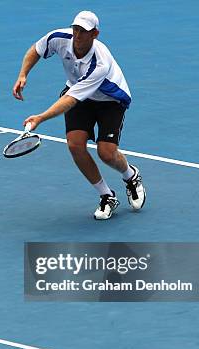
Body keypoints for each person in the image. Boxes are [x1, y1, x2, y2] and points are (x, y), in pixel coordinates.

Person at [12, 10, 146, 220]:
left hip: (110, 100)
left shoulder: (99, 63)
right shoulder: (59, 38)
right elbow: (36, 50)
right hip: (77, 91)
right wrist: (23, 74)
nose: (78, 35)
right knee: (75, 145)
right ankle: (106, 196)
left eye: (84, 31)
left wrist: (40, 118)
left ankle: (130, 176)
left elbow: (71, 100)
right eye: (76, 29)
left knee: (107, 153)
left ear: (95, 34)